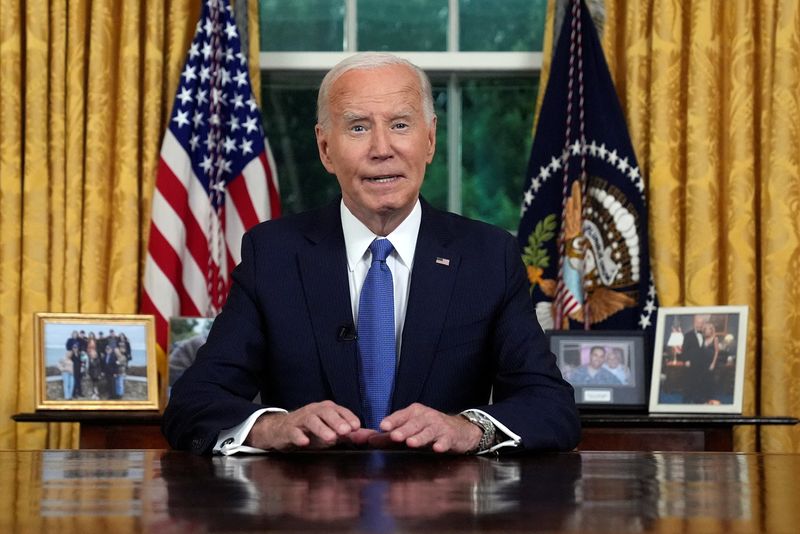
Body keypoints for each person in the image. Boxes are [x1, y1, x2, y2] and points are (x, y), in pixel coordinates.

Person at [162, 52, 580, 456]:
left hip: (443, 511)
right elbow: (194, 402)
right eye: (358, 128)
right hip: (309, 510)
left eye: (400, 125)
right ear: (326, 148)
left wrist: (470, 428)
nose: (382, 148)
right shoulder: (272, 254)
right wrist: (274, 427)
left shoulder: (488, 256)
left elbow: (550, 406)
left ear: (430, 140)